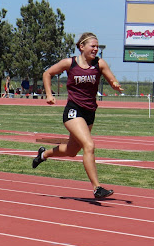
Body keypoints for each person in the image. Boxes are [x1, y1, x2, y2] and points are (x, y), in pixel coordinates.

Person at [32, 32, 122, 200]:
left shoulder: (100, 64)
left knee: (72, 150)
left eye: (97, 46)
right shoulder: (70, 63)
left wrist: (115, 84)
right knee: (89, 145)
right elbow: (47, 73)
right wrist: (49, 94)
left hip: (90, 112)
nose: (95, 49)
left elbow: (112, 80)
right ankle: (97, 188)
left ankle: (43, 154)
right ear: (82, 47)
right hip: (73, 111)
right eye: (92, 46)